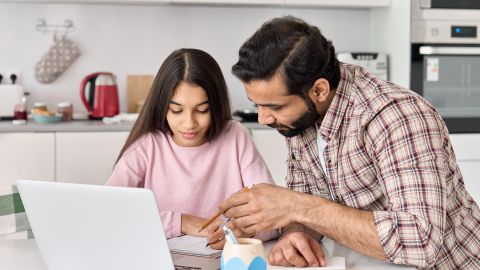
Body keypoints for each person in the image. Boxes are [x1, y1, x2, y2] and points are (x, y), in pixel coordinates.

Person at [219, 16, 480, 269]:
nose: (263, 118)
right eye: (258, 105)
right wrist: (294, 234)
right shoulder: (300, 118)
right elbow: (310, 206)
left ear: (319, 90)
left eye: (273, 106)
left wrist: (294, 205)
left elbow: (421, 242)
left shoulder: (396, 116)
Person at [106, 48, 277, 249]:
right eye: (176, 110)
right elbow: (107, 212)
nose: (189, 123)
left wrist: (246, 229)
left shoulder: (235, 136)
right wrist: (182, 222)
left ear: (216, 106)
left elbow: (274, 214)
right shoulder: (147, 146)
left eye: (202, 110)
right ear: (162, 107)